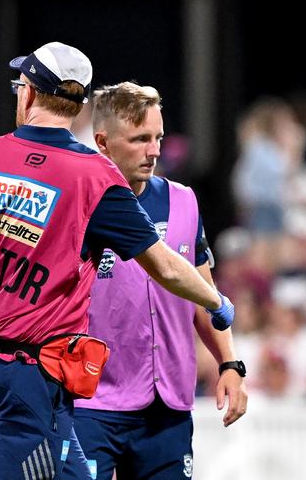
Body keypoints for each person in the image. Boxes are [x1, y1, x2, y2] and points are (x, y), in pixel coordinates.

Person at [0, 42, 235, 479]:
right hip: (32, 373)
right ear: (77, 104)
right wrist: (216, 301)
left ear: (31, 94)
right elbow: (166, 267)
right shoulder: (96, 177)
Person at [72, 82, 248, 480]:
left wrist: (230, 364)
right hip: (92, 404)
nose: (154, 151)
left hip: (167, 410)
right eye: (140, 139)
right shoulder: (78, 204)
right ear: (103, 142)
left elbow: (204, 293)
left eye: (158, 138)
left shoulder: (184, 199)